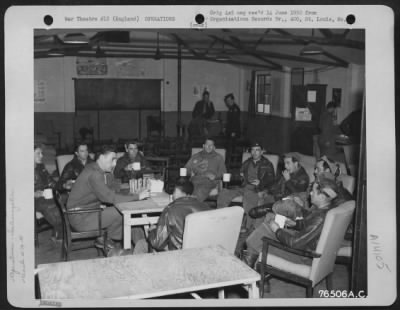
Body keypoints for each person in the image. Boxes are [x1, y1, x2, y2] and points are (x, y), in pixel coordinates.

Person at [242, 178, 341, 268]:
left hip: (304, 257)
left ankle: (249, 271)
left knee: (257, 239)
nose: (310, 193)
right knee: (265, 227)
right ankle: (254, 271)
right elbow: (310, 227)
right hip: (306, 248)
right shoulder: (325, 210)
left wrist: (277, 230)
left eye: (313, 192)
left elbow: (295, 243)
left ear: (322, 197)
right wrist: (295, 224)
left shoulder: (320, 217)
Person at [67, 145, 150, 251]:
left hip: (86, 212)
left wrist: (128, 191)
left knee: (127, 217)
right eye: (112, 159)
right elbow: (109, 197)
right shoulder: (95, 173)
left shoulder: (93, 167)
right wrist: (138, 196)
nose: (114, 163)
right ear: (101, 157)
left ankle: (136, 245)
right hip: (81, 217)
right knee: (125, 213)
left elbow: (109, 188)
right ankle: (114, 241)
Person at [133, 178, 210, 254]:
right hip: (200, 251)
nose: (172, 195)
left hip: (176, 254)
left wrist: (153, 231)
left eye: (173, 191)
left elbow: (157, 242)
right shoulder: (206, 207)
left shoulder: (170, 209)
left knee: (141, 244)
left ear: (177, 191)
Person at [217, 142, 275, 230]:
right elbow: (238, 174)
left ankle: (247, 225)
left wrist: (261, 182)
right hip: (244, 187)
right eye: (253, 150)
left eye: (257, 150)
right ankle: (220, 219)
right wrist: (236, 176)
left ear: (262, 152)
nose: (254, 152)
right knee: (224, 193)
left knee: (249, 196)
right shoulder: (247, 162)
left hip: (256, 189)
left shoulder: (267, 164)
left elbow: (272, 180)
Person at [248, 154, 310, 219]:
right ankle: (252, 227)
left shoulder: (304, 178)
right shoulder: (288, 172)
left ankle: (257, 227)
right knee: (253, 198)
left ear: (296, 163)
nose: (285, 166)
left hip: (286, 203)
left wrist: (288, 180)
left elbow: (297, 194)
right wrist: (266, 191)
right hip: (276, 197)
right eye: (285, 163)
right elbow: (275, 184)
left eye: (288, 163)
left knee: (255, 211)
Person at [34, 144, 63, 241]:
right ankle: (61, 232)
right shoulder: (23, 170)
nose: (42, 156)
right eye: (38, 153)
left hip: (44, 195)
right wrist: (34, 194)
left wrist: (61, 186)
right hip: (33, 199)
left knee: (61, 201)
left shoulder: (40, 166)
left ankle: (58, 232)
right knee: (50, 205)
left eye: (41, 153)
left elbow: (49, 180)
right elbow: (20, 190)